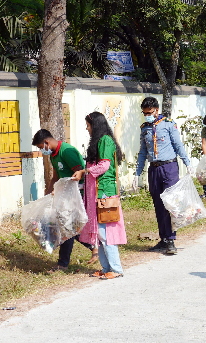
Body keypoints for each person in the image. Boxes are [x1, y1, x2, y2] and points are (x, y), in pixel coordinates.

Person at [73, 112, 127, 278]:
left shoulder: (105, 141)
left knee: (105, 233)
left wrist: (85, 171)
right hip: (96, 193)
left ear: (95, 125)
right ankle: (106, 268)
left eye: (88, 125)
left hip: (104, 193)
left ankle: (116, 269)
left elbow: (104, 166)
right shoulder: (100, 141)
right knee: (99, 233)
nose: (87, 128)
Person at [136, 97, 192, 255]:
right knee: (159, 206)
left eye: (149, 112)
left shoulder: (168, 124)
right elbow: (142, 152)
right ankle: (163, 239)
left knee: (171, 204)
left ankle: (171, 240)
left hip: (169, 167)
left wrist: (187, 163)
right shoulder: (144, 128)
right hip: (154, 170)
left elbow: (178, 145)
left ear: (156, 110)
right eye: (144, 113)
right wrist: (137, 173)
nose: (147, 115)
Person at [32, 129, 94, 271]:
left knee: (69, 228)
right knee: (70, 229)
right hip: (65, 196)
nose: (42, 151)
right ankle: (96, 247)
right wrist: (48, 193)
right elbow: (55, 176)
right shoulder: (53, 155)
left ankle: (64, 263)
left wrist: (63, 187)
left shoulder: (67, 151)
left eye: (41, 148)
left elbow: (80, 173)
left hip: (77, 195)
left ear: (46, 142)